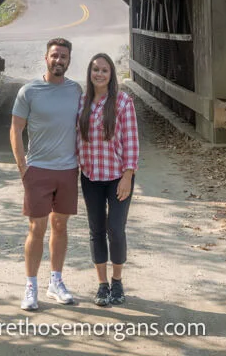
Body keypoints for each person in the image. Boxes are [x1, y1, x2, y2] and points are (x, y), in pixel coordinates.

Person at [10, 37, 83, 311]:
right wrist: (22, 167)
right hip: (38, 169)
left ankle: (56, 281)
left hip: (67, 170)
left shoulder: (76, 90)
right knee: (36, 228)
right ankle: (31, 286)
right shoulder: (29, 91)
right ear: (46, 58)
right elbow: (15, 129)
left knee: (60, 226)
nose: (58, 60)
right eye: (54, 55)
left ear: (69, 60)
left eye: (63, 56)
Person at [77, 52, 139, 307]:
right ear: (89, 74)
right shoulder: (82, 103)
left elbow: (132, 142)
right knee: (96, 230)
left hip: (117, 177)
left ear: (111, 75)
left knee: (115, 229)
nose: (99, 74)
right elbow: (75, 139)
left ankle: (117, 281)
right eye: (95, 70)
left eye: (104, 70)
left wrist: (128, 175)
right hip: (90, 176)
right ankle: (102, 284)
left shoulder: (123, 102)